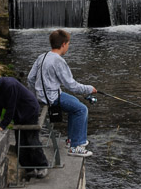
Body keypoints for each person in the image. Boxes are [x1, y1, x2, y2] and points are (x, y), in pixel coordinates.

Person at [28, 29, 97, 157]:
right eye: (68, 44)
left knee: (75, 102)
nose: (68, 47)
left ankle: (71, 140)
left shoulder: (42, 56)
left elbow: (30, 78)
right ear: (63, 44)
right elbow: (71, 85)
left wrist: (35, 96)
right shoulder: (58, 61)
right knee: (82, 109)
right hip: (52, 98)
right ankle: (76, 146)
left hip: (42, 96)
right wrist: (89, 89)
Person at [0, 65, 48, 179]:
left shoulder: (10, 85)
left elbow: (11, 108)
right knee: (20, 143)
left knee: (31, 140)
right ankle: (29, 168)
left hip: (29, 111)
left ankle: (42, 166)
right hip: (18, 114)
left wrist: (2, 126)